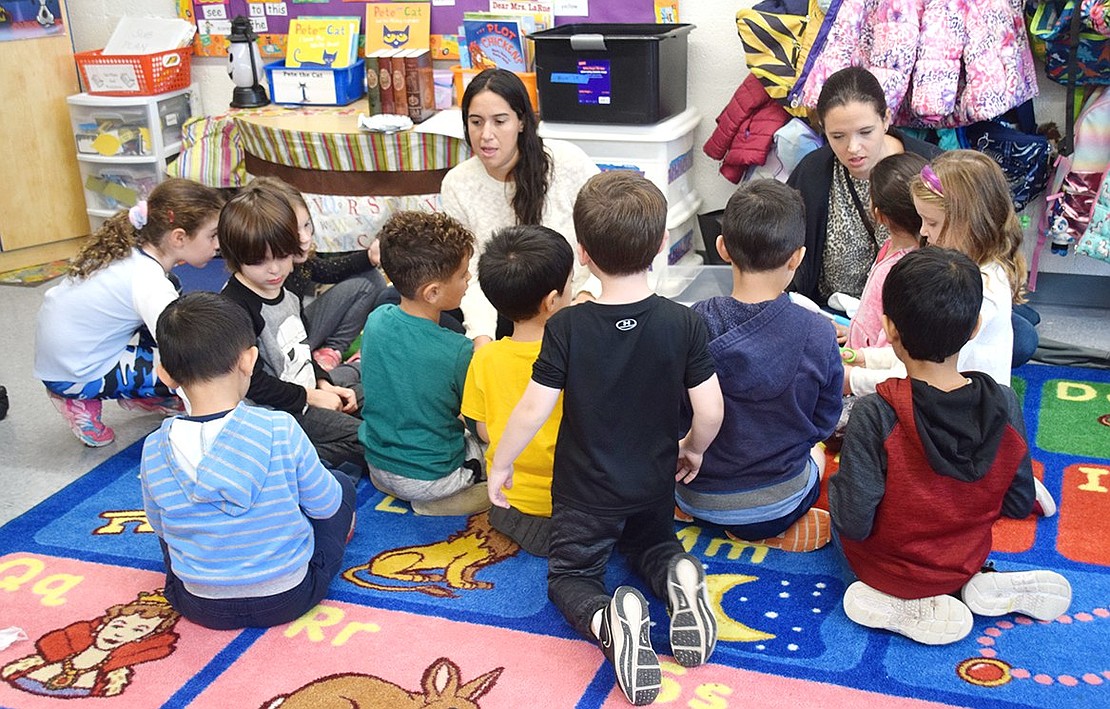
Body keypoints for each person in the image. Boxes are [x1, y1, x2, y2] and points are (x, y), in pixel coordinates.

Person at [488, 172, 725, 706]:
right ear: (662, 244)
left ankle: (608, 621)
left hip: (585, 493)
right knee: (652, 545)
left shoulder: (567, 327)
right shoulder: (682, 322)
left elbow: (532, 408)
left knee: (571, 574)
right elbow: (711, 408)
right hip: (654, 482)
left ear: (583, 254)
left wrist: (501, 463)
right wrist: (694, 448)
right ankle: (678, 575)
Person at [829, 247, 1071, 645]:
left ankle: (896, 601)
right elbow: (1016, 501)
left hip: (890, 569)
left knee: (837, 527)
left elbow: (855, 521)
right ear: (976, 326)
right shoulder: (1005, 403)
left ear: (889, 330)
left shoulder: (876, 414)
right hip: (964, 559)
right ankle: (976, 583)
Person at [139, 292, 356, 629]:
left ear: (165, 374)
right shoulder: (278, 428)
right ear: (249, 361)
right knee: (340, 486)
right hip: (288, 596)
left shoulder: (154, 447)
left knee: (173, 529)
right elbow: (326, 506)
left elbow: (160, 527)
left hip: (198, 604)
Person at [676, 180, 842, 553]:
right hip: (778, 503)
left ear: (721, 248)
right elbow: (824, 422)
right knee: (818, 455)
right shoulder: (817, 330)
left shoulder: (689, 323)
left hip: (694, 493)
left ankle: (700, 517)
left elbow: (671, 413)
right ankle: (776, 530)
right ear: (797, 257)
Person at [33, 178, 225, 446]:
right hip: (72, 374)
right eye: (212, 235)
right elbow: (182, 347)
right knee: (194, 365)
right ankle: (79, 400)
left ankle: (141, 391)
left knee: (174, 299)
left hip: (64, 356)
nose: (218, 244)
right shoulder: (149, 281)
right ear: (178, 237)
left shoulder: (130, 250)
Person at [440, 68, 600, 343]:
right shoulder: (458, 183)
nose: (486, 135)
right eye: (476, 122)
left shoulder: (568, 161)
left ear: (522, 122)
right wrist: (482, 338)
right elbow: (472, 274)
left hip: (575, 301)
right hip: (508, 313)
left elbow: (609, 240)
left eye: (500, 121)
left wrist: (590, 294)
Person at [218, 182, 365, 474]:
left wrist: (324, 382)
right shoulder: (234, 306)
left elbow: (300, 350)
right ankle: (296, 461)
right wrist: (312, 397)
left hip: (305, 392)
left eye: (282, 257)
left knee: (373, 387)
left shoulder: (287, 290)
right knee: (367, 438)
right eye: (259, 262)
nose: (274, 270)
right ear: (235, 256)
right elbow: (253, 384)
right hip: (277, 414)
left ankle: (306, 456)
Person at [360, 211, 489, 516]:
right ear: (432, 292)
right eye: (462, 274)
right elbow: (479, 426)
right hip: (432, 476)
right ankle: (440, 502)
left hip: (377, 463)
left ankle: (403, 488)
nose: (469, 279)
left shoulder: (376, 320)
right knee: (498, 451)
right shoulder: (458, 350)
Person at [460, 225, 574, 556]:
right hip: (575, 503)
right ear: (553, 301)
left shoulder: (486, 358)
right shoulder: (579, 353)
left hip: (509, 505)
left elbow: (483, 430)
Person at [787, 66, 941, 307]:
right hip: (830, 316)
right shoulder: (812, 174)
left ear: (886, 119)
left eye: (865, 132)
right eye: (838, 136)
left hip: (916, 319)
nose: (853, 148)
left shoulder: (933, 173)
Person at [909, 150, 1033, 385]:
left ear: (970, 223)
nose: (923, 231)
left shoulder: (983, 288)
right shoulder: (974, 269)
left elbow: (930, 370)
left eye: (932, 222)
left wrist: (855, 379)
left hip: (971, 413)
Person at [249, 177, 387, 371]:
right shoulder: (265, 283)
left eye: (306, 225)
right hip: (283, 360)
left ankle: (331, 351)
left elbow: (327, 271)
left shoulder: (297, 264)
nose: (305, 238)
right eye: (293, 232)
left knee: (372, 280)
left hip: (300, 339)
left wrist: (368, 257)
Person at [840, 152, 927, 398]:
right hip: (865, 354)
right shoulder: (891, 248)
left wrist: (854, 372)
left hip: (872, 377)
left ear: (878, 214)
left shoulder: (903, 269)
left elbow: (894, 344)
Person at [1, 590, 181, 698]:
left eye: (138, 630)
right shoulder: (54, 652)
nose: (121, 633)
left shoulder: (112, 680)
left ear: (141, 639)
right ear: (103, 624)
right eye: (119, 624)